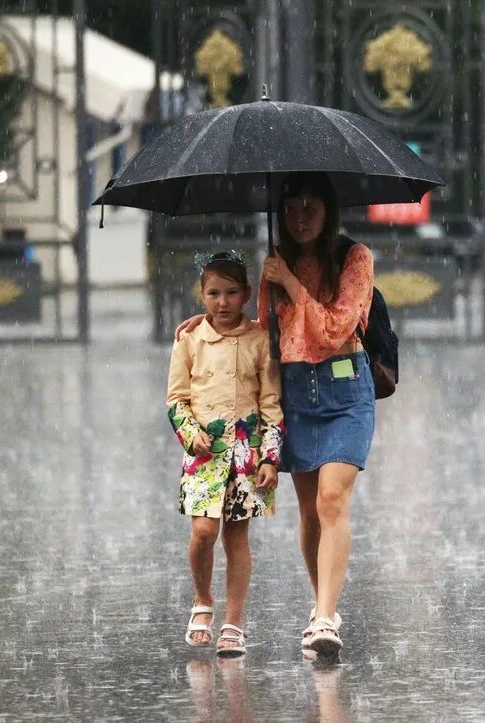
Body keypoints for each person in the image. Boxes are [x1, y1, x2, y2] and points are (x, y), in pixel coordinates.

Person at [175, 172, 375, 657]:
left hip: (345, 390)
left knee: (331, 500)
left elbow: (335, 328)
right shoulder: (275, 264)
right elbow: (267, 333)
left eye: (310, 206)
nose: (300, 216)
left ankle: (325, 618)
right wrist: (213, 322)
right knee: (309, 512)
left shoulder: (354, 258)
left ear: (327, 210)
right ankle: (320, 601)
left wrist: (289, 281)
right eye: (291, 207)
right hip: (297, 396)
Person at [166, 251, 283, 657]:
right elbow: (176, 400)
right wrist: (190, 434)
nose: (223, 302)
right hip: (204, 455)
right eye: (214, 293)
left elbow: (271, 404)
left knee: (237, 538)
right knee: (203, 532)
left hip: (246, 455)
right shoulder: (189, 339)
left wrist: (270, 457)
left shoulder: (260, 340)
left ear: (247, 294)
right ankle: (202, 600)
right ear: (201, 295)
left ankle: (234, 622)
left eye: (232, 293)